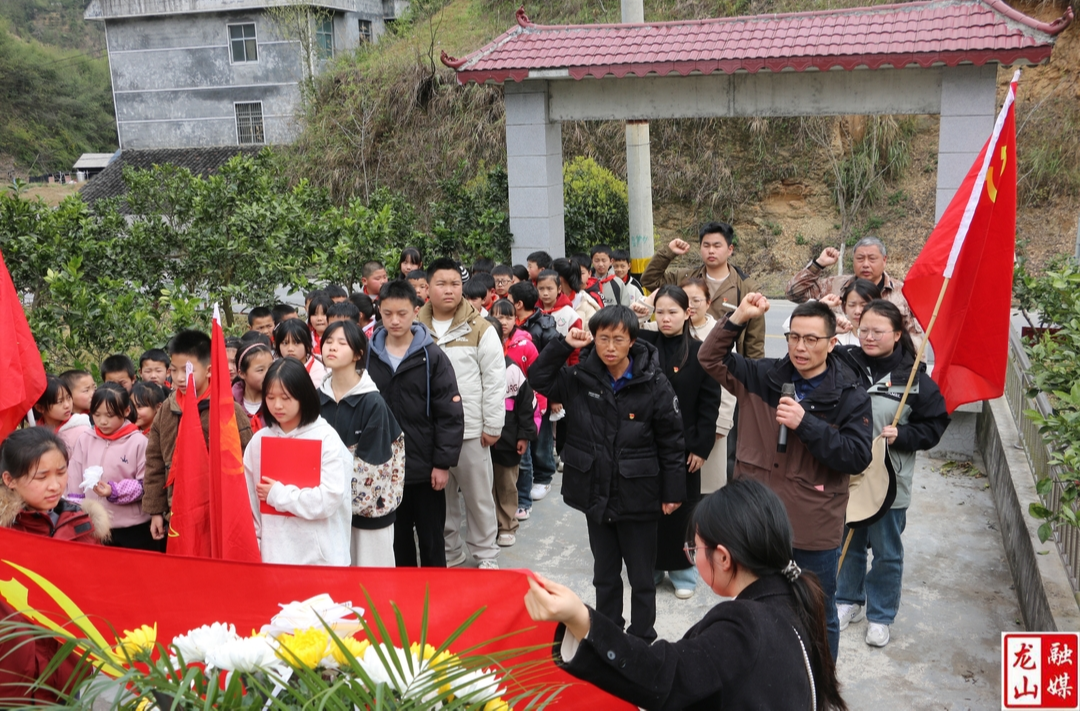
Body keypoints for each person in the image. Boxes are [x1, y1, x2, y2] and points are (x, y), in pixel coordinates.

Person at [523, 479, 847, 711]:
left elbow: (664, 674)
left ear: (723, 557)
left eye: (695, 549)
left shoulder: (744, 625)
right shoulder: (791, 598)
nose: (692, 555)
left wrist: (581, 618)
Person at [697, 295, 873, 661]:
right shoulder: (763, 376)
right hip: (757, 521)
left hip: (812, 525)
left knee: (816, 611)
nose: (800, 347)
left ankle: (819, 682)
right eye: (794, 337)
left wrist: (805, 423)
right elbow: (709, 357)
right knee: (755, 605)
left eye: (811, 339)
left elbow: (856, 456)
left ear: (832, 343)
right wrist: (739, 317)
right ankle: (764, 671)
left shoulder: (849, 395)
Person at [528, 306, 686, 642]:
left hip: (639, 494)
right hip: (596, 492)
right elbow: (538, 379)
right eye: (603, 339)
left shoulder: (654, 382)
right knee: (605, 574)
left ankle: (642, 638)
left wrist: (673, 491)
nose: (610, 347)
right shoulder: (580, 377)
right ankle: (609, 634)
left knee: (641, 578)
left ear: (632, 341)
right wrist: (563, 345)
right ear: (594, 339)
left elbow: (672, 440)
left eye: (618, 339)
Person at [833, 300, 949, 648]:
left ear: (897, 334)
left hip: (889, 481)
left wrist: (905, 435)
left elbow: (935, 424)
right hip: (849, 474)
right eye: (864, 329)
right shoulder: (844, 363)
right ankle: (848, 600)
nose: (869, 337)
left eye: (878, 331)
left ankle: (881, 616)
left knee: (887, 551)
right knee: (848, 541)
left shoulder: (914, 379)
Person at [0, 428, 109, 706]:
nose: (55, 485)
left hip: (67, 667)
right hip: (12, 671)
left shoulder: (81, 525)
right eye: (41, 477)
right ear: (9, 480)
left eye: (61, 472)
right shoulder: (5, 535)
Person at [368, 280, 464, 568]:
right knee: (397, 543)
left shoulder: (432, 356)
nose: (395, 321)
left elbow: (450, 413)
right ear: (379, 311)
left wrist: (442, 464)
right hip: (385, 469)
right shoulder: (369, 356)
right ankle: (405, 594)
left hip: (425, 469)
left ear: (416, 311)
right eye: (388, 314)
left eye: (402, 313)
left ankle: (436, 593)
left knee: (432, 540)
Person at [417, 258, 506, 570]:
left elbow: (495, 380)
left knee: (479, 498)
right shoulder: (415, 329)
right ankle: (450, 552)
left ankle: (486, 554)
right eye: (441, 283)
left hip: (471, 431)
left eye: (455, 283)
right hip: (430, 432)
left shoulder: (480, 328)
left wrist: (493, 425)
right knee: (440, 500)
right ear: (427, 288)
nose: (449, 290)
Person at [637, 286, 721, 600]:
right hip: (646, 443)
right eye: (660, 312)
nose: (665, 318)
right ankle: (651, 567)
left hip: (685, 447)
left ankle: (684, 571)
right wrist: (641, 308)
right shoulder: (644, 343)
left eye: (672, 312)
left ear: (687, 313)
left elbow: (709, 404)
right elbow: (614, 329)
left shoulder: (701, 351)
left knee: (683, 510)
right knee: (648, 509)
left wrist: (701, 447)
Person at [143, 330, 253, 543]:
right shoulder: (167, 410)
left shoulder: (227, 410)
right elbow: (154, 462)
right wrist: (155, 511)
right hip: (176, 511)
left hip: (217, 514)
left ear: (209, 370)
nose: (179, 378)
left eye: (188, 370)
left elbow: (246, 460)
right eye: (174, 370)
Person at [245, 358, 352, 566]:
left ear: (303, 395)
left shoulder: (326, 438)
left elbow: (330, 498)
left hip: (321, 561)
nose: (277, 405)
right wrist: (256, 546)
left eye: (285, 398)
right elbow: (249, 501)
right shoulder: (258, 442)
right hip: (272, 559)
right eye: (270, 397)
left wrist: (278, 494)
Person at [317, 320, 403, 567]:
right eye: (328, 342)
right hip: (327, 512)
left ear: (358, 354)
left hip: (369, 513)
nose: (332, 347)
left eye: (341, 343)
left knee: (371, 579)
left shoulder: (372, 402)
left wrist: (332, 497)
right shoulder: (316, 398)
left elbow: (373, 468)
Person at [641, 222, 765, 359]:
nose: (711, 250)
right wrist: (668, 252)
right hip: (682, 358)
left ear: (730, 249)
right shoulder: (685, 278)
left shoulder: (747, 289)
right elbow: (649, 280)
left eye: (717, 246)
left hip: (725, 362)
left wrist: (753, 370)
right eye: (706, 245)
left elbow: (754, 343)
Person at [786, 237, 923, 346]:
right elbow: (794, 293)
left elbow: (915, 338)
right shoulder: (834, 285)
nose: (865, 264)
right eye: (860, 259)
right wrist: (819, 264)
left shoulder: (903, 292)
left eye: (872, 259)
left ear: (884, 260)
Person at [66, 383, 154, 550]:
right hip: (94, 525)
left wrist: (114, 491)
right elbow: (75, 475)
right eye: (97, 414)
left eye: (110, 415)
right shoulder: (85, 439)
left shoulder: (138, 442)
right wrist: (75, 509)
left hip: (132, 526)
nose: (103, 421)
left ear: (126, 411)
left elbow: (146, 484)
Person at [507, 281, 559, 518]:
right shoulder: (509, 328)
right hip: (516, 399)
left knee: (541, 438)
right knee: (527, 443)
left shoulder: (543, 327)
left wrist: (551, 396)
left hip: (538, 393)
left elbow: (551, 364)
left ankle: (544, 476)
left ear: (518, 304)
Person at [679, 277, 735, 497]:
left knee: (707, 490)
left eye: (696, 300)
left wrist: (721, 423)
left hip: (709, 421)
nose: (691, 305)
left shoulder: (720, 333)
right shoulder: (670, 327)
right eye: (685, 300)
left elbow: (729, 382)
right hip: (679, 423)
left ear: (708, 302)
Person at [486, 316, 538, 548]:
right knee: (484, 488)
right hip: (480, 443)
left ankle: (507, 525)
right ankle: (488, 528)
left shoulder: (513, 371)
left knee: (507, 486)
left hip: (507, 442)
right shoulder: (471, 371)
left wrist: (524, 436)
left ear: (502, 341)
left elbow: (527, 407)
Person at [33, 375, 92, 454]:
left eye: (68, 398)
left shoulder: (82, 431)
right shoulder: (34, 433)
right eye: (59, 401)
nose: (67, 405)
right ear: (40, 408)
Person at [233, 341, 274, 433]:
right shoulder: (231, 403)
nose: (268, 374)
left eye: (271, 367)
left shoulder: (278, 402)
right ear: (242, 373)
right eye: (260, 370)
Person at [276, 317, 328, 389]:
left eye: (296, 343)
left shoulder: (318, 372)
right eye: (285, 343)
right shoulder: (274, 367)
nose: (290, 348)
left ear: (308, 345)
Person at [536, 269, 580, 337]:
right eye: (541, 289)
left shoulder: (570, 314)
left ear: (559, 289)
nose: (545, 293)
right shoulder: (533, 312)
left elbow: (578, 339)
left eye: (549, 288)